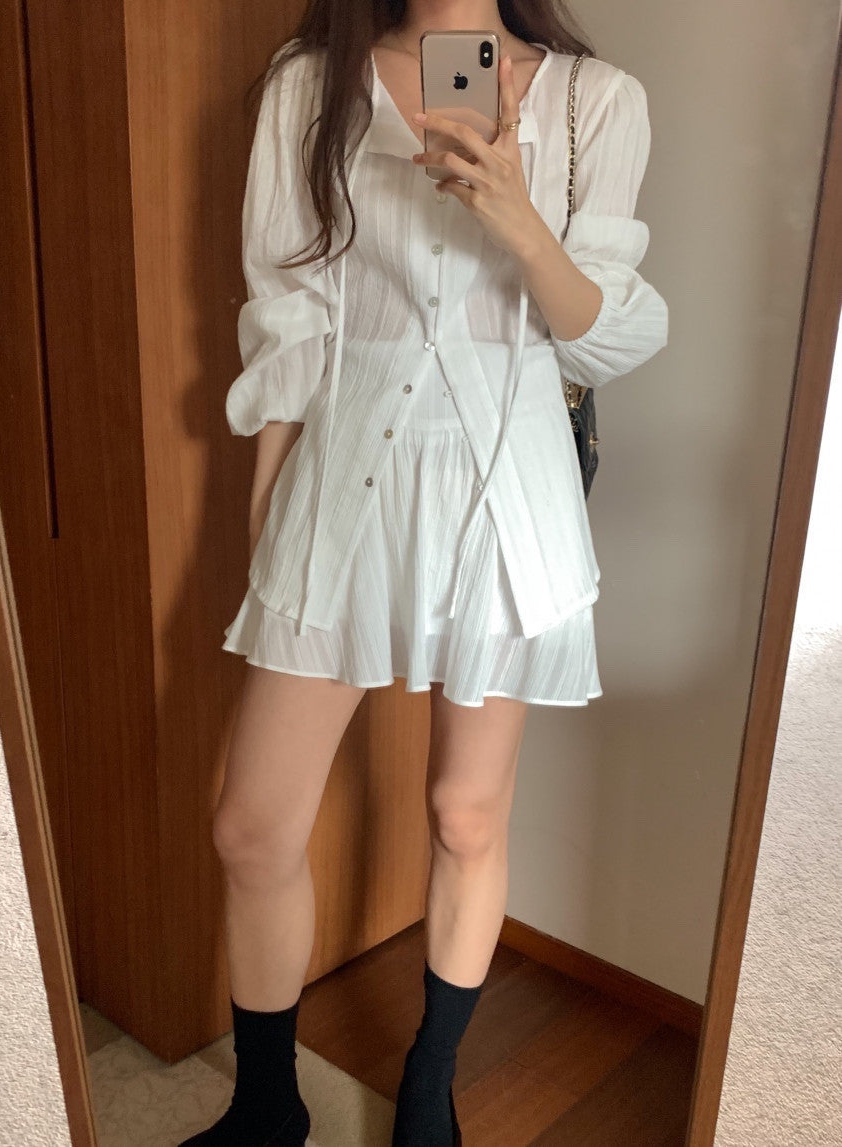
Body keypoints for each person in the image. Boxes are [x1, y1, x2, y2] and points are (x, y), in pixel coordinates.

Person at [182, 1, 668, 1144]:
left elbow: (598, 335)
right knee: (250, 825)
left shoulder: (593, 100)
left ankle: (426, 1088)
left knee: (463, 815)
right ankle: (267, 1106)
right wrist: (267, 523)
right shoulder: (309, 83)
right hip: (342, 475)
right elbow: (291, 313)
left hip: (506, 491)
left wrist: (516, 216)